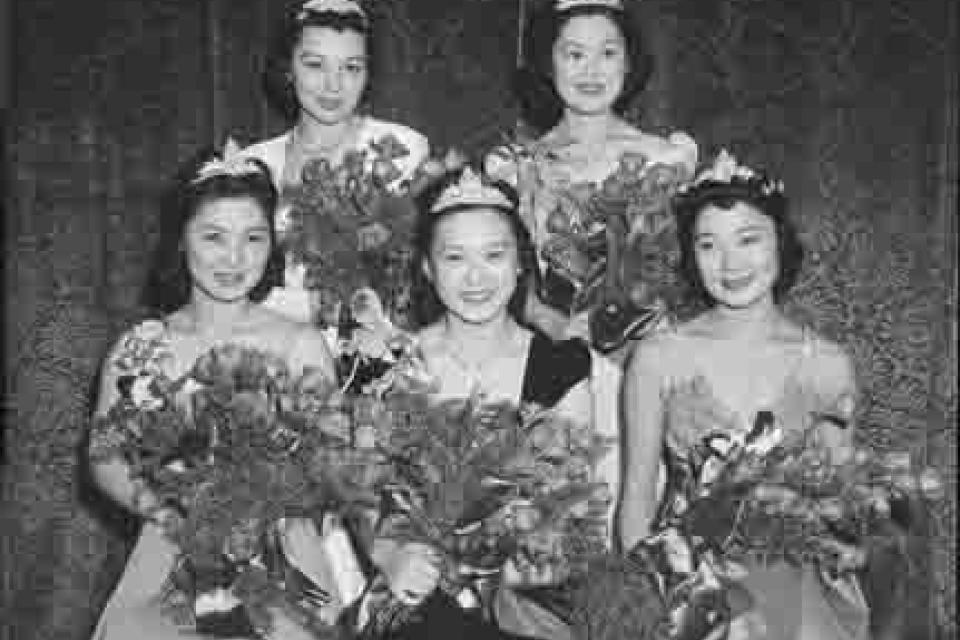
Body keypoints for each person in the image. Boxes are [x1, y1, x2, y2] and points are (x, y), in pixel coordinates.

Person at [87, 152, 433, 639]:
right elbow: (104, 458)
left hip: (283, 555)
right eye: (213, 237)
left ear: (272, 245)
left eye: (253, 239)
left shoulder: (299, 343)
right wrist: (169, 508)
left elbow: (338, 465)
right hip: (171, 549)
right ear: (180, 241)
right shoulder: (143, 346)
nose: (234, 259)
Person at [619, 152, 871, 639]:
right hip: (687, 589)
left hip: (797, 596)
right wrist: (657, 597)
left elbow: (842, 505)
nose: (731, 264)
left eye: (749, 240)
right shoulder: (658, 356)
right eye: (709, 245)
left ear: (782, 242)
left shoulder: (825, 363)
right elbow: (636, 502)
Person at [378, 167, 596, 640]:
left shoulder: (561, 368)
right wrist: (391, 557)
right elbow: (366, 497)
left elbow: (572, 501)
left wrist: (528, 559)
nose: (475, 277)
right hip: (419, 592)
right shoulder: (390, 364)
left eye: (494, 255)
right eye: (454, 257)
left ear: (521, 263)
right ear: (427, 268)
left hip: (526, 592)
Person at [241, 0, 430, 324]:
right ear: (288, 68)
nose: (333, 85)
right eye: (315, 65)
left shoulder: (400, 148)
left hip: (374, 344)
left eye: (351, 67)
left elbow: (412, 278)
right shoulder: (254, 163)